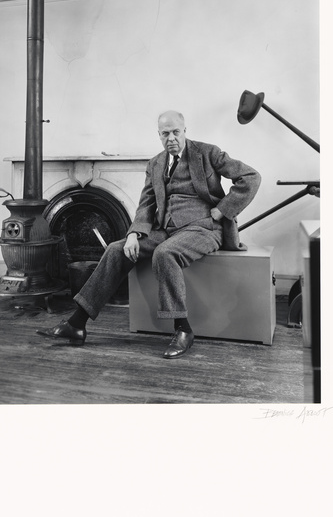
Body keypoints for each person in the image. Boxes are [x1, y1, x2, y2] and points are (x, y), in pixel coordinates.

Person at [37, 110, 261, 358]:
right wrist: (133, 234)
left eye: (176, 132)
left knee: (165, 254)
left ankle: (183, 329)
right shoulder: (155, 164)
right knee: (115, 248)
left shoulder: (208, 153)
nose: (171, 138)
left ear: (185, 130)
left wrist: (221, 211)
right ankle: (77, 324)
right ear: (159, 135)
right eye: (165, 134)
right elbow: (146, 205)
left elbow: (251, 177)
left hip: (204, 228)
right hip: (165, 229)